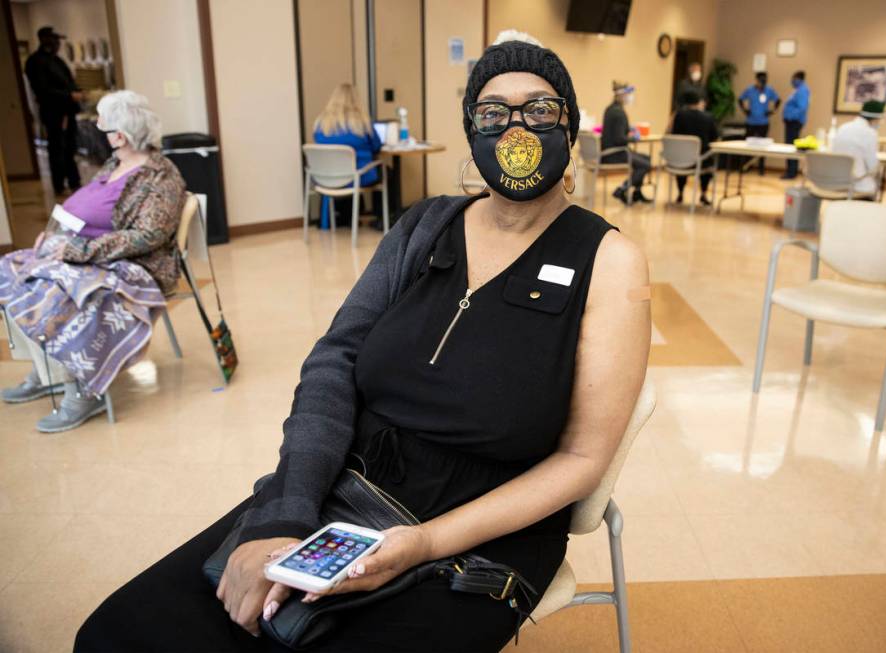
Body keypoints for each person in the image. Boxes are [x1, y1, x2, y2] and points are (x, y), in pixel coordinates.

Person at [73, 35, 651, 653]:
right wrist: (285, 516)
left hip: (485, 528)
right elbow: (334, 362)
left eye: (539, 110)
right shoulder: (423, 227)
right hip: (345, 481)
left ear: (568, 123)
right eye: (492, 113)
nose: (516, 129)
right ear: (471, 131)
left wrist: (425, 543)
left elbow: (582, 460)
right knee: (119, 633)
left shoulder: (609, 261)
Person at [0, 91, 185, 432]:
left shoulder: (161, 177)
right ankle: (48, 371)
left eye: (107, 129)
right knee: (11, 272)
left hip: (134, 265)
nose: (103, 134)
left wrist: (77, 251)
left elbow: (147, 237)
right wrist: (52, 234)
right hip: (86, 251)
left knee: (58, 293)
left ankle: (82, 389)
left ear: (121, 135)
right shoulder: (115, 163)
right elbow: (81, 207)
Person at [312, 84, 384, 228]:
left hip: (327, 178)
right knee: (386, 172)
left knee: (350, 171)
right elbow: (376, 146)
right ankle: (381, 220)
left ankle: (342, 218)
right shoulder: (362, 123)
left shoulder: (320, 124)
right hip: (355, 178)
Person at [24, 26, 83, 196]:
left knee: (70, 148)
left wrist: (76, 92)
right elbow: (43, 90)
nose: (58, 43)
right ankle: (59, 184)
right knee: (57, 149)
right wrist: (68, 96)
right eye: (54, 40)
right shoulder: (36, 62)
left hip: (67, 111)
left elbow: (68, 82)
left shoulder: (56, 61)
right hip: (54, 112)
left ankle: (74, 181)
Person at [602, 80, 652, 204]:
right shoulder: (619, 113)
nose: (630, 97)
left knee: (646, 158)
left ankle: (637, 193)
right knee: (646, 165)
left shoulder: (611, 109)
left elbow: (616, 130)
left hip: (609, 151)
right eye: (628, 95)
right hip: (615, 154)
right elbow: (620, 139)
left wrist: (629, 129)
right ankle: (622, 189)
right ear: (621, 95)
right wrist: (634, 138)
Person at [670, 90, 719, 206]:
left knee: (683, 160)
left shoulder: (679, 116)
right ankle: (703, 193)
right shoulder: (708, 117)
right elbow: (715, 138)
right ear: (699, 102)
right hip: (700, 161)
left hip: (681, 160)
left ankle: (680, 192)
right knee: (709, 160)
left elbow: (674, 134)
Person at [831, 100, 885, 198]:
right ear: (875, 119)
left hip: (835, 181)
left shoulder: (843, 127)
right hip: (857, 185)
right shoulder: (870, 133)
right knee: (872, 186)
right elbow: (872, 166)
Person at [738, 71, 780, 174]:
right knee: (747, 145)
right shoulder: (750, 89)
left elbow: (778, 100)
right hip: (751, 122)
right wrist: (745, 110)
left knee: (763, 147)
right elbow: (740, 99)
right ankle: (745, 167)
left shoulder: (769, 90)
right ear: (756, 80)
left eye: (764, 81)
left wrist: (772, 111)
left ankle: (761, 169)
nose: (762, 83)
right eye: (760, 81)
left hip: (763, 123)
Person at [781, 71, 809, 179]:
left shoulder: (802, 90)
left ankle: (791, 172)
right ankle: (790, 171)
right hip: (791, 122)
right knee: (789, 147)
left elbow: (802, 108)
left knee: (791, 147)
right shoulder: (797, 90)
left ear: (798, 78)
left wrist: (791, 116)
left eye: (794, 78)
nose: (792, 81)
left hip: (794, 122)